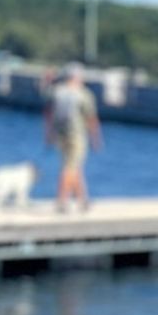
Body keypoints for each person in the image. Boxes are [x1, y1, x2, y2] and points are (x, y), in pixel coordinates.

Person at [43, 64, 102, 213]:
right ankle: (61, 201)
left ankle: (83, 200)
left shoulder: (56, 91)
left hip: (60, 134)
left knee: (74, 166)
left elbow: (48, 113)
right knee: (70, 168)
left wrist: (49, 134)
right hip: (76, 136)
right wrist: (96, 139)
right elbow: (91, 118)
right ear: (78, 77)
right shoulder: (84, 94)